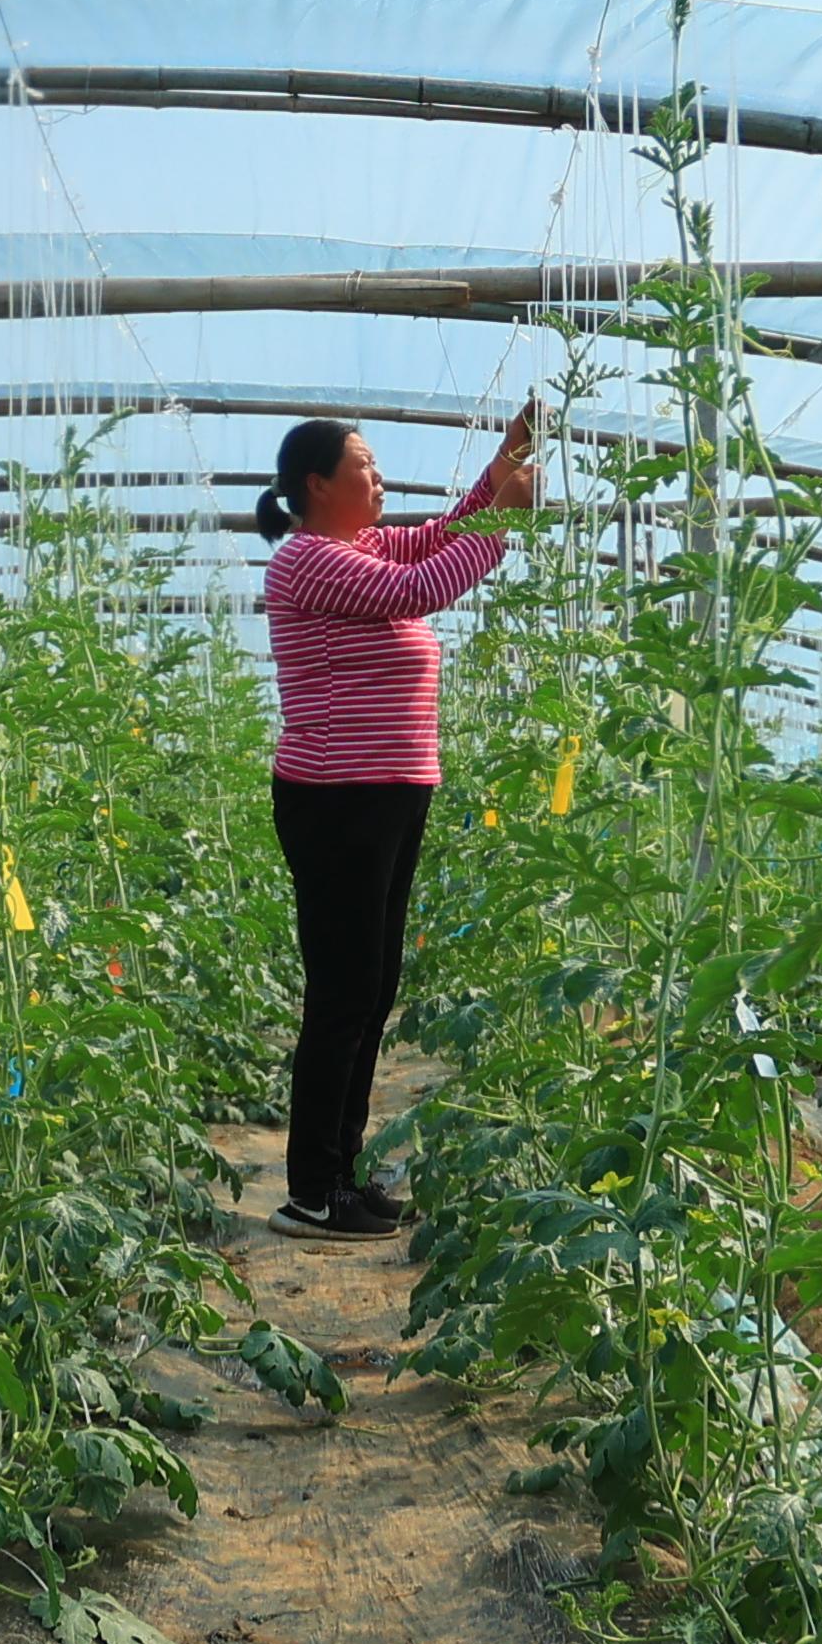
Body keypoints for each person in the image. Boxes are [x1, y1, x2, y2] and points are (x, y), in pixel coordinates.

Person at [253, 405, 539, 1240]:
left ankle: (341, 1173)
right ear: (318, 484)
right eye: (365, 466)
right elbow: (422, 587)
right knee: (342, 994)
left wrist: (500, 467)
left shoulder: (358, 546)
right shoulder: (307, 561)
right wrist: (504, 524)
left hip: (386, 793)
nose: (379, 480)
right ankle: (311, 1190)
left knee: (372, 989)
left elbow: (437, 534)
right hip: (337, 800)